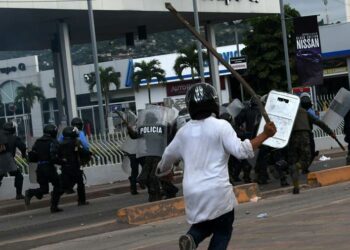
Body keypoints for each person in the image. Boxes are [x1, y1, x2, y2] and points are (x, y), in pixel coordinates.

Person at [156, 83, 276, 250]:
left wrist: (165, 173)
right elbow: (242, 151)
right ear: (214, 103)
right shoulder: (221, 126)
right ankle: (196, 238)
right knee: (223, 229)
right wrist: (265, 135)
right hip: (218, 191)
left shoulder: (183, 133)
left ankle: (192, 237)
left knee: (203, 224)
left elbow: (164, 161)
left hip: (193, 194)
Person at [288, 102, 335, 194]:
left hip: (292, 137)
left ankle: (296, 187)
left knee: (293, 161)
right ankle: (298, 166)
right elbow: (319, 122)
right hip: (304, 136)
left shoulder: (289, 113)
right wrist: (330, 132)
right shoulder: (304, 112)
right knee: (306, 158)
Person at [25, 124, 63, 213]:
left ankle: (30, 192)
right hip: (49, 167)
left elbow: (33, 156)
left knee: (44, 189)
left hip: (40, 168)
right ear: (53, 132)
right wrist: (62, 162)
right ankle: (54, 207)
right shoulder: (53, 142)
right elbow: (54, 157)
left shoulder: (38, 141)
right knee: (58, 186)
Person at [235, 97, 269, 184]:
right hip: (264, 137)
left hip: (251, 137)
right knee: (262, 157)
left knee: (248, 157)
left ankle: (247, 176)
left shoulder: (247, 111)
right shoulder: (264, 111)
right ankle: (263, 176)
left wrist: (241, 129)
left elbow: (237, 120)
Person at [58, 126, 89, 206]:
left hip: (64, 167)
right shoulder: (76, 142)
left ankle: (55, 198)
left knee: (65, 184)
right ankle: (81, 201)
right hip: (74, 166)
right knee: (80, 183)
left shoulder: (59, 144)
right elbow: (83, 152)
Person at [0, 122, 26, 200]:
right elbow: (23, 146)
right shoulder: (14, 138)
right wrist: (24, 155)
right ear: (13, 129)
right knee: (19, 176)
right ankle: (19, 194)